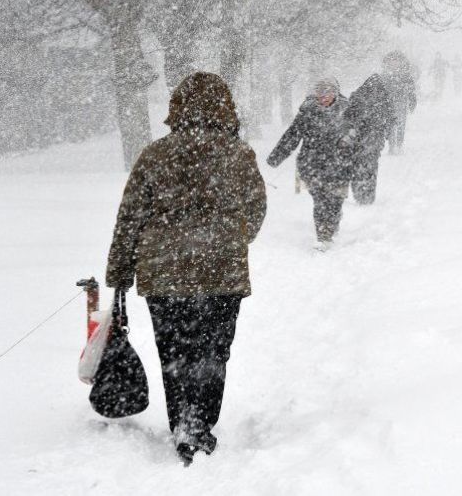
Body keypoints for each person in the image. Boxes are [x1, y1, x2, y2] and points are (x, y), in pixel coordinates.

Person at [105, 72, 267, 465]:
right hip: (221, 274)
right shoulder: (238, 154)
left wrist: (120, 271)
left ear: (176, 108)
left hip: (165, 276)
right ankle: (199, 423)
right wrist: (228, 240)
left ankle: (182, 421)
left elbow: (130, 216)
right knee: (213, 352)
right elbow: (257, 210)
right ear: (225, 107)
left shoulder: (154, 155)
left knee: (175, 352)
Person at [267, 78, 353, 248]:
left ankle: (333, 222)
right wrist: (276, 157)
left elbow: (357, 134)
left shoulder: (347, 111)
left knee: (335, 200)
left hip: (340, 165)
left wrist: (349, 144)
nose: (324, 96)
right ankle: (323, 237)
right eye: (320, 92)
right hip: (312, 165)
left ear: (335, 93)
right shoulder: (307, 112)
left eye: (328, 92)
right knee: (320, 201)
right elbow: (291, 136)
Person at [343, 73, 391, 204]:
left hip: (361, 137)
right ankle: (367, 194)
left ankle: (360, 192)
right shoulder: (383, 98)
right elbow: (390, 118)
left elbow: (347, 116)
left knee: (359, 165)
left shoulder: (358, 96)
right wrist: (386, 132)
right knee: (370, 167)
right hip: (373, 138)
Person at [381, 51, 417, 155]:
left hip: (401, 103)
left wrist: (412, 101)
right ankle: (392, 146)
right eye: (391, 61)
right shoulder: (384, 75)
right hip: (388, 104)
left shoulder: (405, 75)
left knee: (401, 125)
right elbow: (379, 90)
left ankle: (399, 144)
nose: (393, 63)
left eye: (396, 61)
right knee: (391, 125)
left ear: (400, 62)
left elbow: (411, 90)